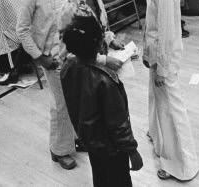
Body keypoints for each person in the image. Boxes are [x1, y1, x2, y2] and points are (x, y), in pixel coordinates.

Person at [131, 0, 199, 181]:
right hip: (157, 53)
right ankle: (158, 138)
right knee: (158, 101)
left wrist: (161, 68)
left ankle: (182, 165)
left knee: (172, 109)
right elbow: (154, 26)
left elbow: (169, 34)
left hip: (165, 58)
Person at [15, 0, 78, 170]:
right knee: (60, 104)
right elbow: (21, 31)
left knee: (75, 98)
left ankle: (72, 138)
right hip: (51, 58)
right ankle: (59, 149)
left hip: (71, 51)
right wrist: (39, 57)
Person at [60, 15, 142, 187]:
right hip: (113, 149)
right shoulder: (105, 81)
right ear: (98, 44)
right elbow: (118, 124)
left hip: (91, 143)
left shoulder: (67, 69)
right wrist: (132, 151)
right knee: (119, 181)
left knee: (101, 179)